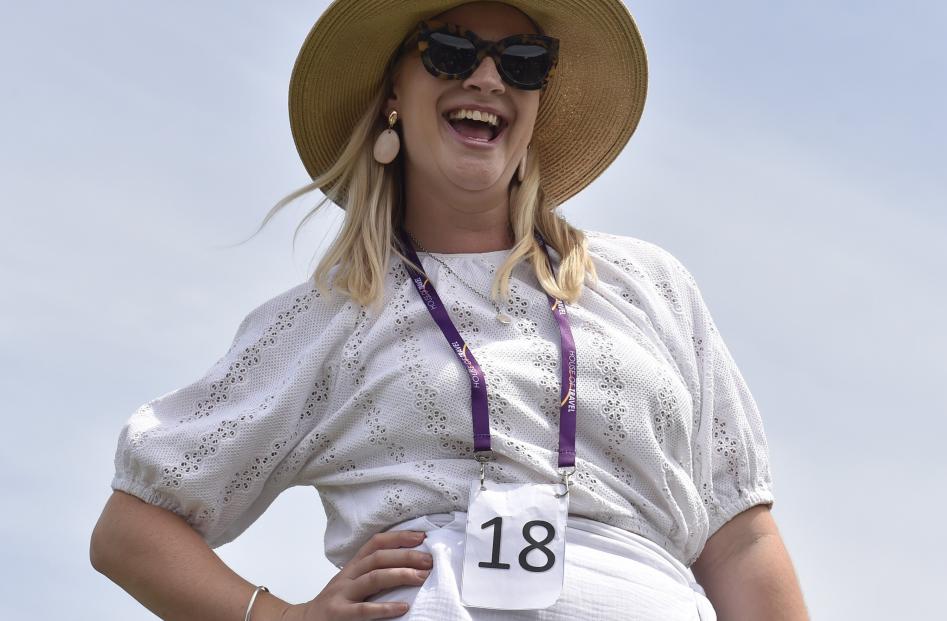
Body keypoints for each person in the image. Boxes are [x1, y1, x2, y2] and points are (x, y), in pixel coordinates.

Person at [90, 1, 809, 620]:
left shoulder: (646, 286)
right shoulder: (329, 319)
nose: (488, 77)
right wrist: (278, 615)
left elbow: (739, 536)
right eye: (452, 50)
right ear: (393, 91)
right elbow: (130, 526)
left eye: (523, 59)